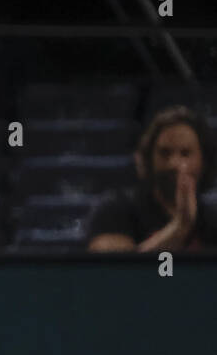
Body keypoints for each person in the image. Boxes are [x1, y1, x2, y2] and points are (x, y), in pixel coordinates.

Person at [87, 105, 217, 252]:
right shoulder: (115, 210)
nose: (174, 163)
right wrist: (181, 227)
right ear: (148, 158)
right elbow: (114, 269)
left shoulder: (212, 220)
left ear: (204, 161)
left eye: (185, 153)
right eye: (164, 153)